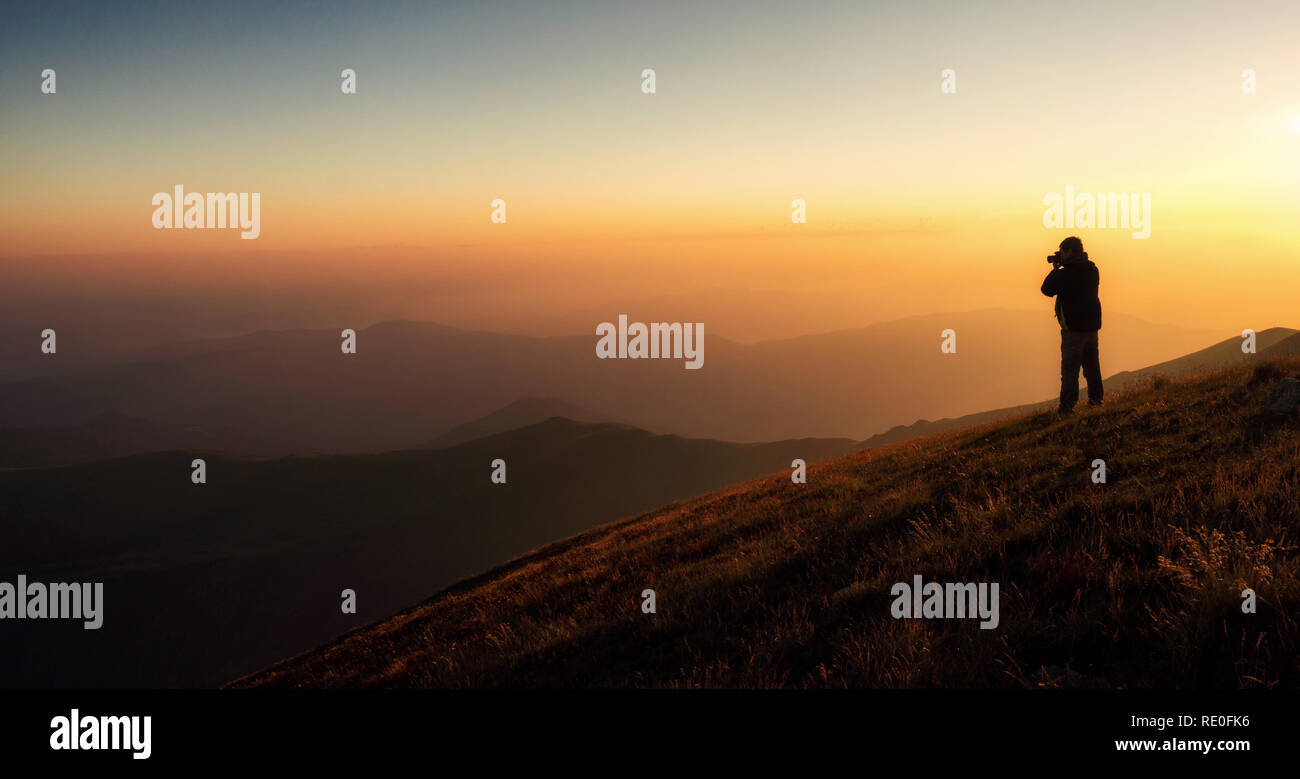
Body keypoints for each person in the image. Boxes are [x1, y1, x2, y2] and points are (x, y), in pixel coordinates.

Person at [1040, 236, 1102, 414]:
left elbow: (1046, 289)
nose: (1060, 256)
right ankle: (1096, 401)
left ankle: (1067, 408)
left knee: (1070, 371)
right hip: (1091, 327)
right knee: (1092, 368)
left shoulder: (1066, 273)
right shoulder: (1092, 269)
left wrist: (1056, 269)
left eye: (1061, 252)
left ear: (1069, 251)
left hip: (1073, 329)